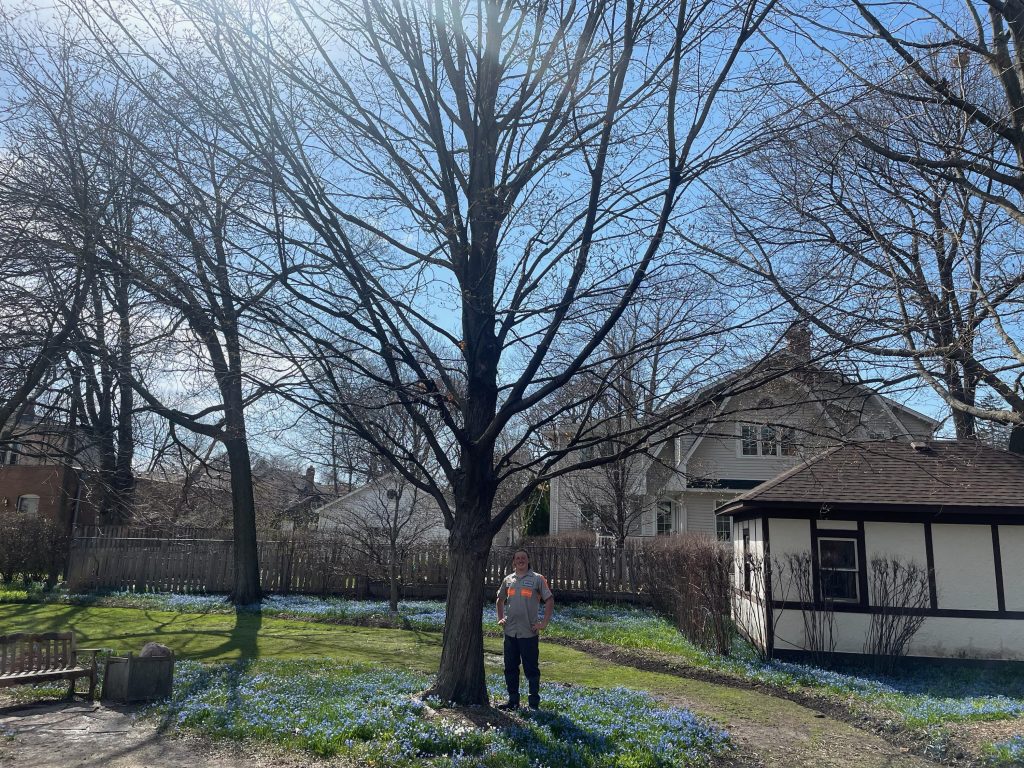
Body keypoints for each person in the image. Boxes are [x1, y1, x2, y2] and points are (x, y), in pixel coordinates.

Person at [495, 548, 554, 711]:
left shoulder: (537, 579)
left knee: (531, 669)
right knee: (510, 668)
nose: (520, 560)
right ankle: (513, 701)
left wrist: (543, 623)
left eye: (523, 558)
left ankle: (533, 703)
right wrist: (500, 618)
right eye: (517, 558)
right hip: (510, 633)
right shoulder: (508, 580)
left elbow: (549, 600)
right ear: (514, 562)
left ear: (528, 561)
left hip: (529, 633)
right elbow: (500, 600)